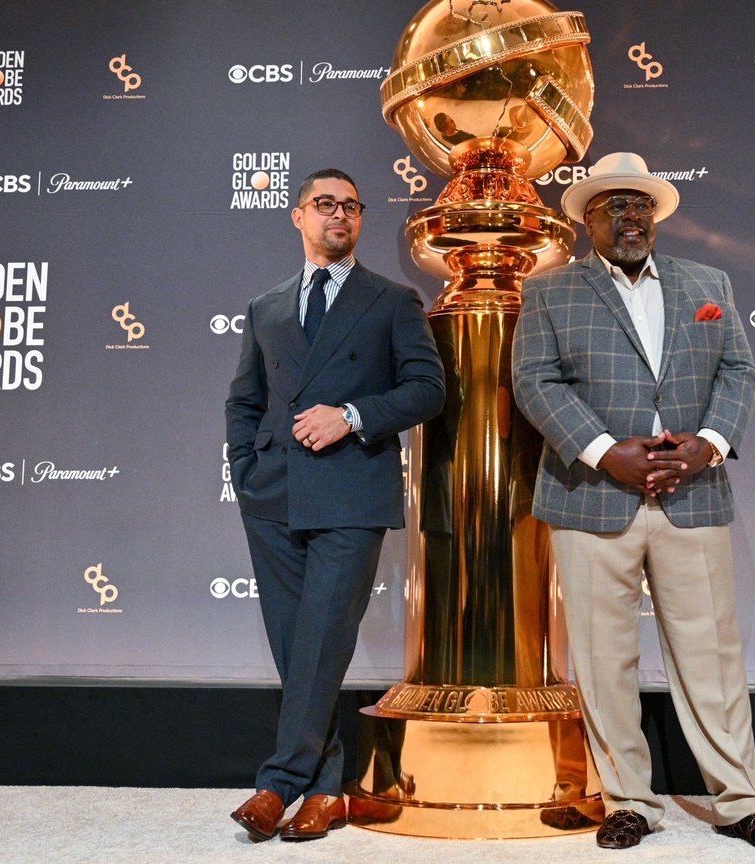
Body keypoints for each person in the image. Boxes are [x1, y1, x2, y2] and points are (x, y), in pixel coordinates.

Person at [512, 152, 755, 853]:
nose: (630, 216)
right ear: (587, 220)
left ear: (656, 216)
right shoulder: (550, 290)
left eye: (640, 205)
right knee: (603, 657)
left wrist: (706, 444)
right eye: (613, 206)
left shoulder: (709, 283)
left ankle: (741, 801)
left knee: (711, 656)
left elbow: (739, 370)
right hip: (591, 497)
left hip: (692, 493)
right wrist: (606, 451)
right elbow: (535, 381)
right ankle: (628, 801)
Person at [225, 168, 444, 842]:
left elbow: (427, 389)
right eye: (325, 205)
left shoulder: (391, 299)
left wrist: (351, 414)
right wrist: (247, 469)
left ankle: (277, 781)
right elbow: (245, 399)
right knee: (297, 649)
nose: (338, 216)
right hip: (273, 493)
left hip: (351, 489)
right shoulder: (266, 306)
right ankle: (324, 791)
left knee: (321, 638)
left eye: (351, 206)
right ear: (298, 216)